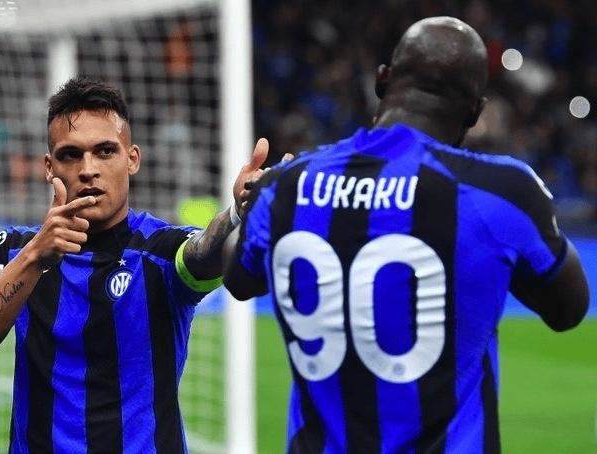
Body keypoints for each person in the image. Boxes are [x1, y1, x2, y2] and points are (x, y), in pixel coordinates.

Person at [224, 16, 590, 453]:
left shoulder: (285, 185)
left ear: (382, 80)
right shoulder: (503, 191)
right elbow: (568, 310)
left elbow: (240, 279)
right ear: (476, 110)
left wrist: (249, 206)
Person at [0, 77, 267, 453]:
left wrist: (235, 214)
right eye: (71, 155)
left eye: (104, 151)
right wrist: (35, 257)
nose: (88, 169)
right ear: (49, 167)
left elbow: (201, 251)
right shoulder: (15, 249)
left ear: (132, 159)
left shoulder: (160, 252)